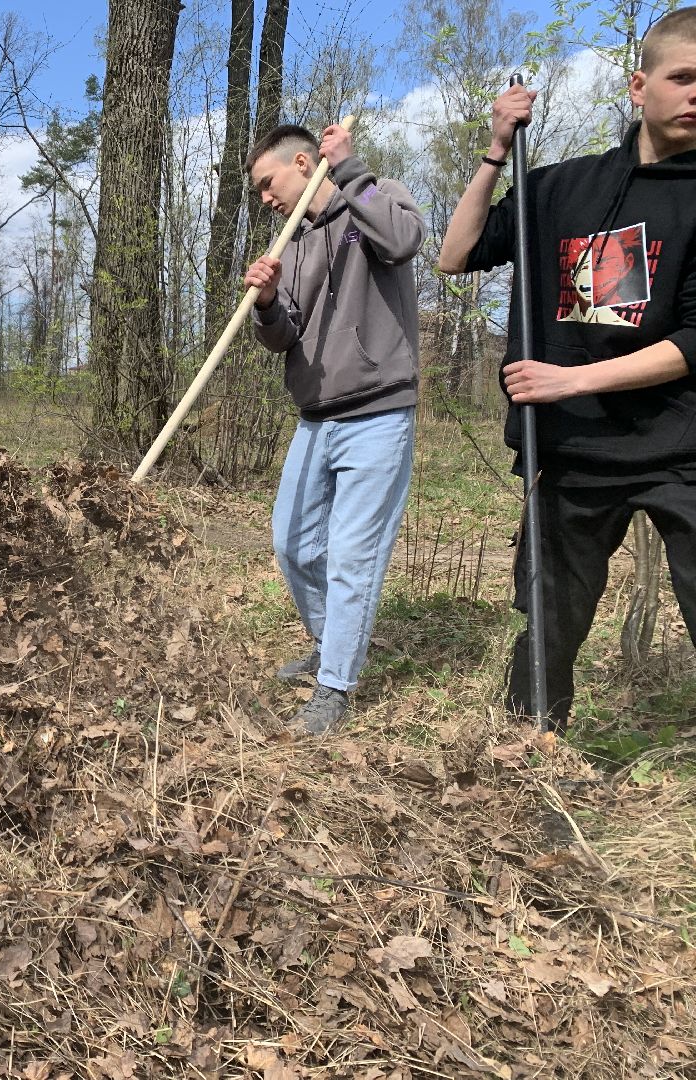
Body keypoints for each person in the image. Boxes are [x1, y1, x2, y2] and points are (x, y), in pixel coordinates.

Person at [437, 7, 696, 731]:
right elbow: (456, 255)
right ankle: (529, 751)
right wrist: (495, 150)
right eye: (684, 77)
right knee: (551, 620)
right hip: (574, 449)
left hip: (684, 450)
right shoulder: (560, 188)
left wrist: (572, 379)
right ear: (639, 86)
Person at [243, 123, 425, 734]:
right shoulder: (290, 244)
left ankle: (335, 687)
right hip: (316, 415)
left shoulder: (377, 196)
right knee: (292, 543)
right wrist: (267, 303)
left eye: (269, 183)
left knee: (353, 555)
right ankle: (331, 643)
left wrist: (350, 172)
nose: (265, 198)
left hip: (378, 411)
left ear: (303, 163)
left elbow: (402, 241)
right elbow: (283, 336)